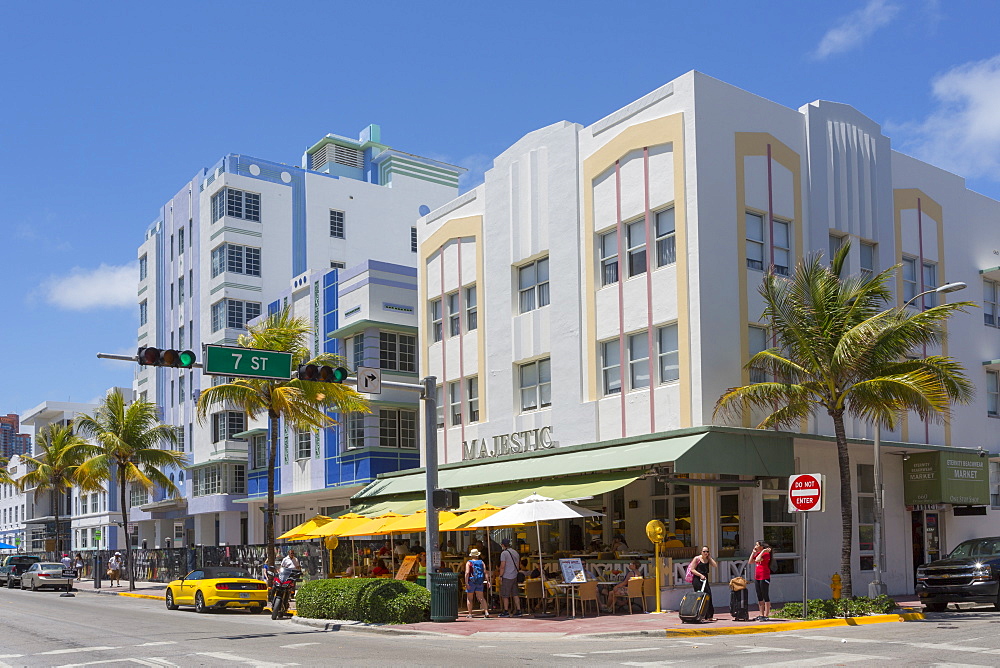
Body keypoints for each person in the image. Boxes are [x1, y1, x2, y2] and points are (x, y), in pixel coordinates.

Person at [687, 546, 718, 622]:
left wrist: (710, 558)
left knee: (708, 596)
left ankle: (709, 616)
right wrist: (700, 575)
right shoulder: (697, 559)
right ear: (701, 552)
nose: (705, 553)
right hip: (697, 579)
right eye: (704, 551)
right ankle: (699, 614)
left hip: (705, 579)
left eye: (707, 551)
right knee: (700, 597)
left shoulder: (707, 559)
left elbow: (715, 565)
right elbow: (692, 569)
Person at [497, 539, 522, 617]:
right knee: (515, 594)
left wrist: (500, 575)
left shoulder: (504, 553)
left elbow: (502, 566)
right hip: (514, 575)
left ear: (503, 545)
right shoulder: (515, 552)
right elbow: (518, 565)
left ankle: (506, 611)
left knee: (505, 595)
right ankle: (518, 610)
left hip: (507, 576)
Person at [749, 540, 772, 621]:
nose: (755, 546)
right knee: (759, 595)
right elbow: (750, 561)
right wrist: (753, 553)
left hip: (764, 576)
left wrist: (763, 551)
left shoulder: (766, 554)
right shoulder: (758, 553)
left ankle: (766, 615)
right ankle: (761, 614)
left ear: (761, 546)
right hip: (757, 577)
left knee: (765, 594)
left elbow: (758, 559)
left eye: (757, 545)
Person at [464, 548, 490, 618]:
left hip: (471, 581)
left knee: (470, 598)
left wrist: (466, 582)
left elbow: (467, 572)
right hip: (479, 581)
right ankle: (486, 611)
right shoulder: (482, 562)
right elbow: (485, 572)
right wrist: (488, 581)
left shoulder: (469, 562)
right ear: (477, 555)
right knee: (481, 597)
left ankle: (470, 613)